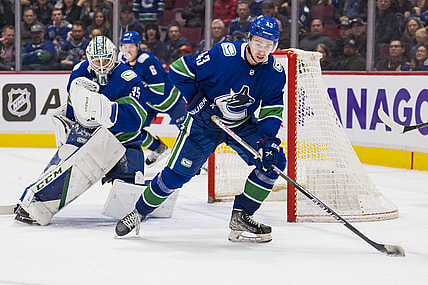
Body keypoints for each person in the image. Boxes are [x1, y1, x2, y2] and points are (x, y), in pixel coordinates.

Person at [115, 15, 287, 244]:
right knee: (175, 176)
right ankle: (139, 211)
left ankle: (242, 216)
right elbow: (178, 70)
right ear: (249, 39)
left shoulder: (275, 72)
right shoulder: (224, 55)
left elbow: (272, 111)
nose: (262, 50)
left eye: (269, 45)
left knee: (274, 162)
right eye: (258, 42)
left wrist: (268, 140)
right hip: (203, 126)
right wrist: (196, 101)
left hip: (240, 125)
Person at [15, 36, 148, 226]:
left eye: (105, 60)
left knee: (130, 200)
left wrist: (108, 111)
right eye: (96, 60)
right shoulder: (79, 71)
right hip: (85, 134)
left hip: (123, 141)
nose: (101, 66)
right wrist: (67, 123)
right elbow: (73, 103)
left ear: (114, 57)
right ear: (88, 58)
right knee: (64, 167)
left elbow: (137, 118)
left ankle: (156, 193)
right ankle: (35, 202)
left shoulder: (129, 77)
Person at [119, 31, 187, 166]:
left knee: (187, 131)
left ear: (138, 47)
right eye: (124, 46)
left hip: (171, 100)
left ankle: (196, 160)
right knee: (133, 129)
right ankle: (158, 147)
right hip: (150, 104)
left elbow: (158, 90)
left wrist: (135, 93)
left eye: (131, 46)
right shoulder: (123, 62)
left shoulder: (146, 60)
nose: (127, 50)